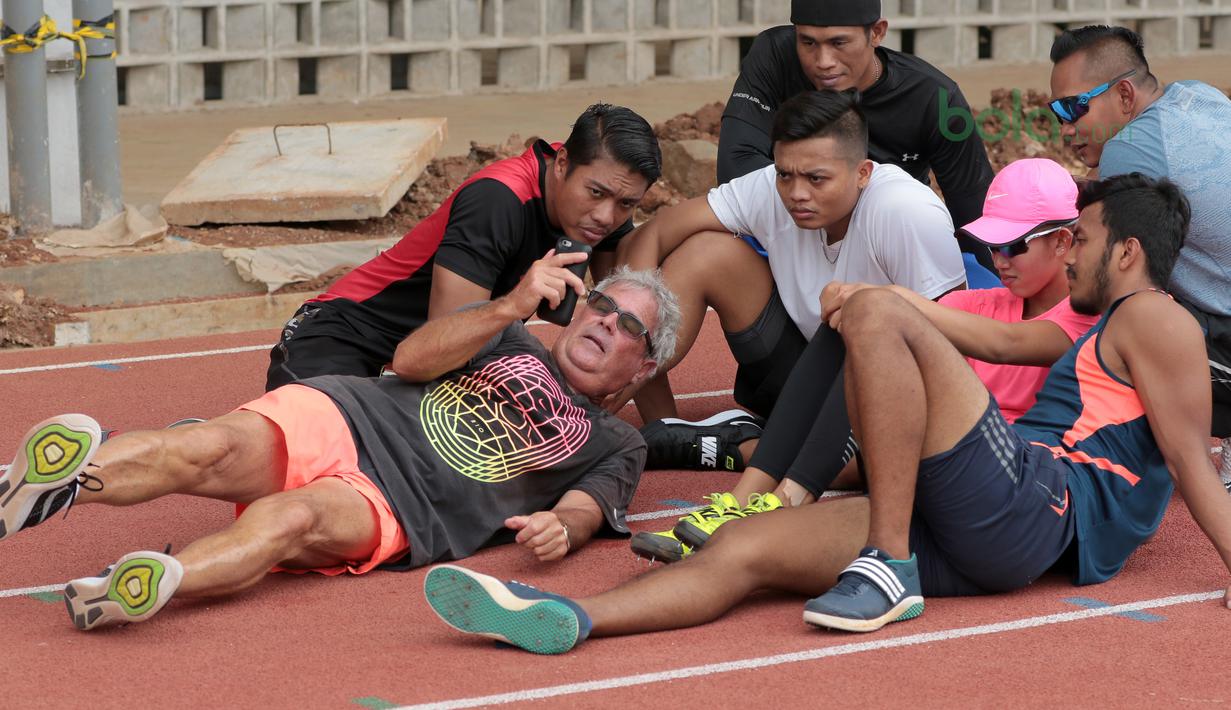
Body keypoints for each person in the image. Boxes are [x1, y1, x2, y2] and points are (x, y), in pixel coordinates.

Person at [423, 173, 1231, 654]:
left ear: (1126, 252)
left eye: (1082, 239)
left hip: (1036, 502)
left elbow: (1190, 456)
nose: (1072, 253)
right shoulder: (1105, 327)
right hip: (993, 526)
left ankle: (886, 562)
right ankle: (567, 618)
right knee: (743, 549)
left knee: (878, 310)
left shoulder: (1153, 316)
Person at [0, 264, 680, 631]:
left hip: (403, 504)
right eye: (598, 305)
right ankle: (56, 481)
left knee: (288, 521)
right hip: (348, 411)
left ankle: (143, 586)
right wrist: (508, 307)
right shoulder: (507, 336)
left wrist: (559, 527)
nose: (603, 323)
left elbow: (586, 512)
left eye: (627, 327)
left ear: (643, 367)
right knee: (206, 446)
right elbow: (410, 359)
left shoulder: (617, 442)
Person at [630, 158, 1100, 563]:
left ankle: (760, 478)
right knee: (856, 325)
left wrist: (882, 297)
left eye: (1013, 245)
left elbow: (1005, 344)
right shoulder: (990, 303)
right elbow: (924, 320)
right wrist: (857, 303)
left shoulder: (1087, 318)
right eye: (992, 245)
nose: (999, 259)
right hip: (954, 454)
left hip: (1021, 479)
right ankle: (749, 499)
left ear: (1062, 242)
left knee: (877, 331)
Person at [618, 89, 965, 471]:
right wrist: (629, 318)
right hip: (799, 376)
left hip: (885, 397)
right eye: (785, 174)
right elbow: (657, 232)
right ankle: (641, 427)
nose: (796, 194)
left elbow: (950, 347)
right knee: (705, 254)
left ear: (863, 173)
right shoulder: (774, 186)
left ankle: (734, 449)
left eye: (817, 179)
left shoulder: (905, 211)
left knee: (885, 467)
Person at [265, 103, 662, 391]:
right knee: (325, 448)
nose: (606, 217)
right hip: (343, 335)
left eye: (626, 204)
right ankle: (211, 436)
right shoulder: (497, 201)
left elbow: (630, 331)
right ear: (561, 164)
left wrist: (657, 428)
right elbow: (445, 348)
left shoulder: (608, 206)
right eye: (596, 193)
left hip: (421, 363)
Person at [1049, 25, 1231, 475]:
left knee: (1118, 309)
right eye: (1058, 113)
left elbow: (1109, 278)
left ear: (1125, 95)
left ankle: (1118, 471)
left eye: (1074, 108)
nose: (1066, 128)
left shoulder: (1126, 149)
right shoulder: (1197, 95)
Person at [720, 0, 994, 266]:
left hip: (886, 250)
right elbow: (737, 166)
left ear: (877, 33)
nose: (823, 61)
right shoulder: (775, 54)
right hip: (793, 239)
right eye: (808, 42)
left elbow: (975, 214)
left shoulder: (938, 99)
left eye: (839, 43)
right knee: (709, 246)